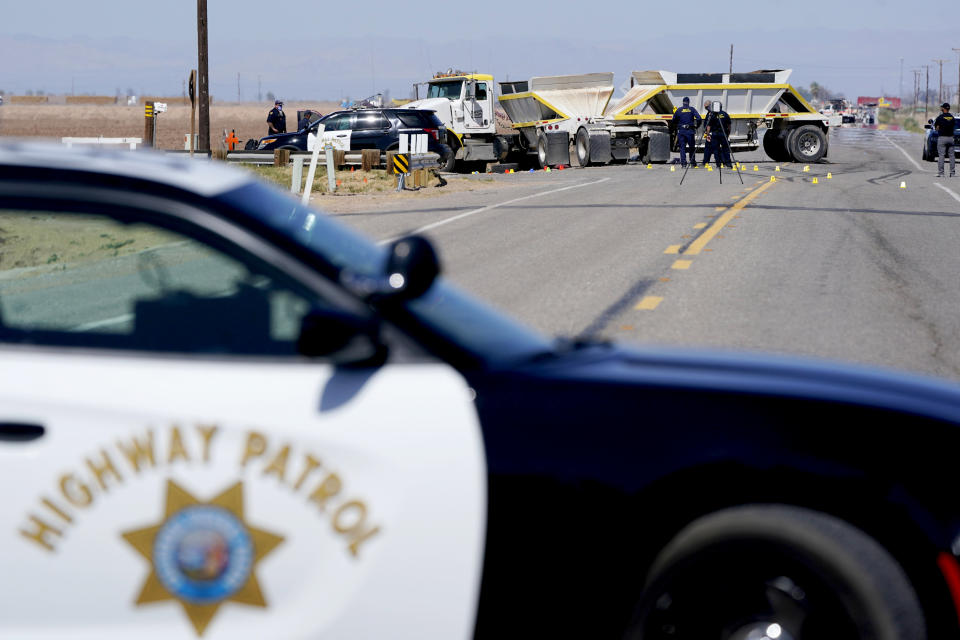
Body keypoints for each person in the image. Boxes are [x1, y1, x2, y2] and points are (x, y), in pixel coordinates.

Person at [671, 97, 701, 168]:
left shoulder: (679, 110)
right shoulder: (692, 109)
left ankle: (684, 164)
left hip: (681, 131)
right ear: (689, 102)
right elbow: (699, 118)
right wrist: (697, 126)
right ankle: (692, 163)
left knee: (682, 148)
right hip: (690, 131)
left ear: (683, 102)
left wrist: (678, 124)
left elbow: (673, 120)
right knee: (691, 147)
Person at [705, 102, 733, 168]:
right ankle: (728, 163)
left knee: (716, 150)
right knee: (726, 149)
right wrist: (728, 133)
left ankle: (718, 164)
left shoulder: (712, 115)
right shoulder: (725, 114)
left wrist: (708, 134)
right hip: (723, 134)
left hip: (715, 134)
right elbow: (729, 125)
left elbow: (708, 126)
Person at [933, 102, 956, 177]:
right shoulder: (952, 117)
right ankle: (952, 173)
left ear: (943, 108)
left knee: (941, 156)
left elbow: (936, 128)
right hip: (951, 138)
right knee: (952, 156)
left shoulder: (940, 117)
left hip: (942, 138)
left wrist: (939, 128)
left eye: (942, 107)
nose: (941, 108)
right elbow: (953, 126)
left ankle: (941, 173)